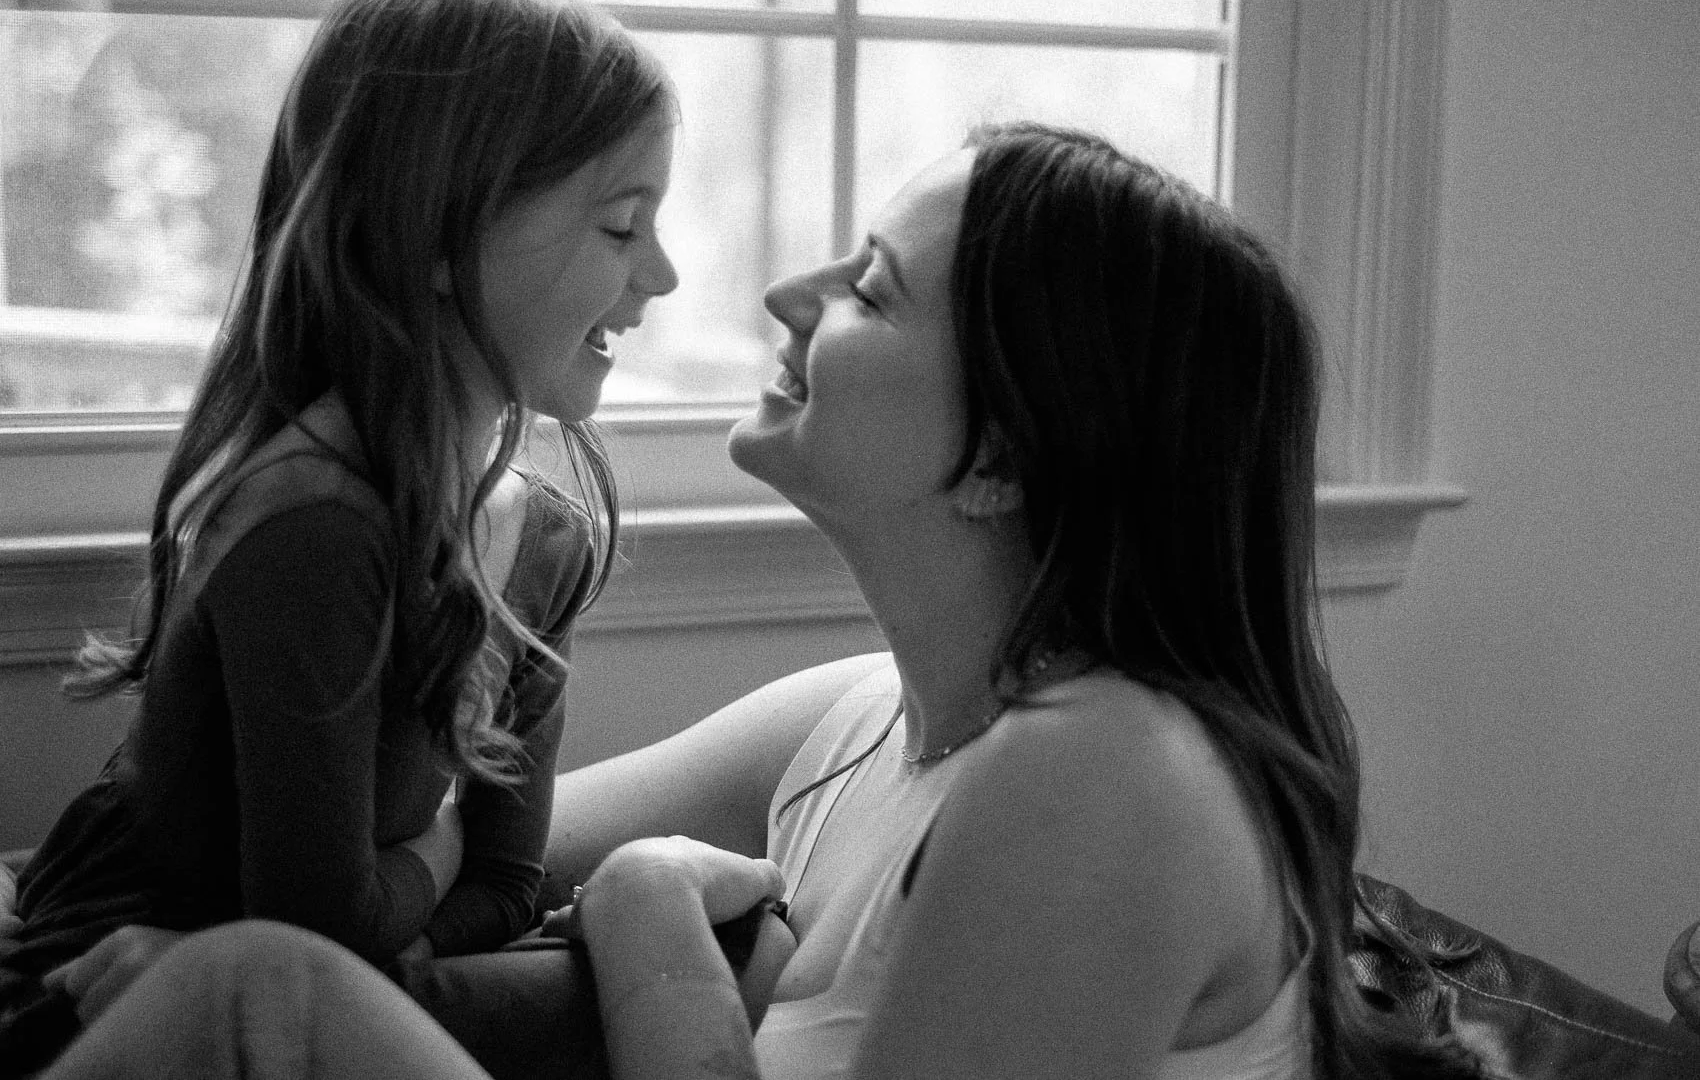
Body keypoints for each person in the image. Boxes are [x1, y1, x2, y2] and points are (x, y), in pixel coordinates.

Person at [27, 122, 1491, 1080]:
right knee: (243, 988)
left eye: (870, 289)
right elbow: (459, 842)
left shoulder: (1106, 773)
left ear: (1003, 456)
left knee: (258, 1002)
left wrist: (655, 909)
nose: (788, 296)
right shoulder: (860, 722)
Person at [0, 0, 677, 1075]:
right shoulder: (314, 527)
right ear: (437, 239)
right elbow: (320, 932)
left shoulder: (545, 538)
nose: (662, 273)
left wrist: (418, 883)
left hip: (315, 978)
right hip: (106, 999)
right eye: (619, 227)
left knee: (749, 945)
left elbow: (504, 887)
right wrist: (443, 843)